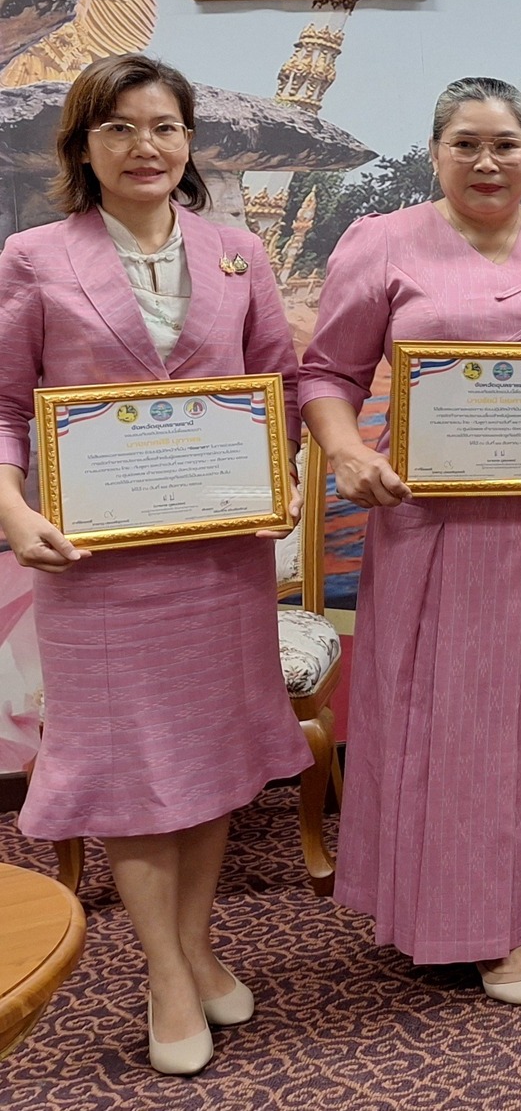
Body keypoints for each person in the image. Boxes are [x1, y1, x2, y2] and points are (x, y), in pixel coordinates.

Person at [299, 77, 521, 1004]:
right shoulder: (379, 243)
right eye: (466, 144)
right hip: (433, 527)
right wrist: (343, 450)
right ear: (435, 151)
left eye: (505, 143)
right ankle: (482, 924)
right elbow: (328, 371)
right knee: (459, 721)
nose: (487, 161)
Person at [0, 54, 307, 1074]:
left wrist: (285, 478)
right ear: (83, 145)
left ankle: (198, 942)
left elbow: (280, 381)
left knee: (209, 758)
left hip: (218, 556)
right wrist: (11, 506)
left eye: (165, 126)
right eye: (121, 128)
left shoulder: (235, 252)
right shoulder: (36, 256)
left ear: (189, 141)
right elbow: (5, 408)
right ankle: (168, 973)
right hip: (98, 562)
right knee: (131, 766)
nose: (146, 147)